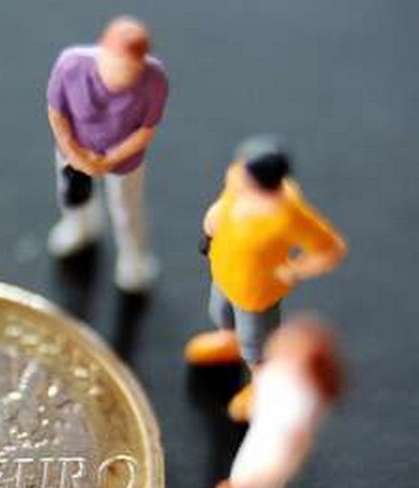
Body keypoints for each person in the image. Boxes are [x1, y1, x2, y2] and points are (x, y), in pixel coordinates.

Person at [186, 136, 347, 421]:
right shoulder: (238, 179)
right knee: (221, 314)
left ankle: (260, 383)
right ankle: (229, 341)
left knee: (257, 347)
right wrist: (210, 230)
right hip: (223, 272)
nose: (238, 172)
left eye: (246, 169)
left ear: (263, 180)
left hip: (256, 294)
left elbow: (330, 249)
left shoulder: (287, 214)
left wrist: (295, 270)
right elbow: (222, 206)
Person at [45, 15, 169, 292]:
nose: (123, 75)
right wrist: (73, 152)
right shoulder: (70, 65)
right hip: (72, 153)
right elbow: (56, 112)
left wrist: (110, 160)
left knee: (127, 211)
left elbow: (146, 131)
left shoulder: (155, 80)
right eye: (117, 64)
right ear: (102, 50)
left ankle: (133, 262)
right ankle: (78, 229)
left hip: (125, 162)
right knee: (72, 195)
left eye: (132, 68)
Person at [218, 317, 343, 488]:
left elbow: (298, 438)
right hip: (261, 436)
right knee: (244, 473)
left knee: (253, 478)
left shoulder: (303, 397)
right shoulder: (278, 372)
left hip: (276, 450)